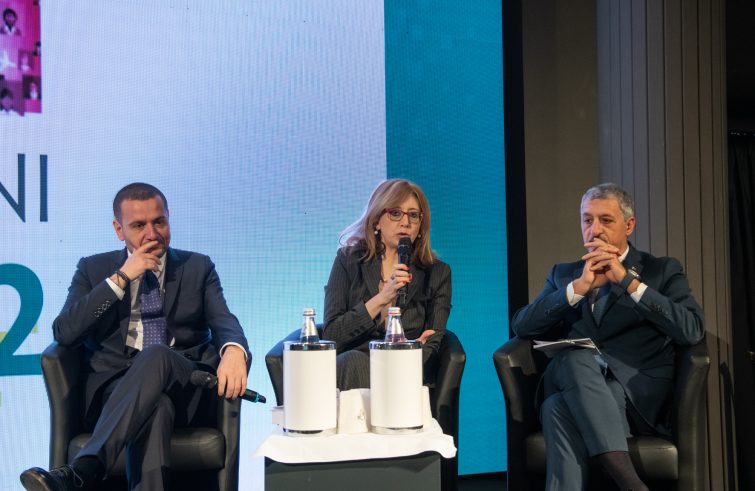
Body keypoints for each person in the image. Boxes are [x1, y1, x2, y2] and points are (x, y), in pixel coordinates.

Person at [20, 183, 250, 491]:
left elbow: (225, 321)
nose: (152, 234)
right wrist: (122, 278)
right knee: (155, 409)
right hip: (118, 390)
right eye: (139, 226)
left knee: (155, 355)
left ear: (169, 219)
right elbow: (65, 331)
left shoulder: (197, 267)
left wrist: (234, 350)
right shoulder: (93, 269)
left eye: (159, 222)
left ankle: (84, 469)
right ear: (119, 229)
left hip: (185, 384)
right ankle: (85, 469)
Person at [511, 183, 704, 491]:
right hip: (574, 378)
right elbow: (522, 326)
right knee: (574, 358)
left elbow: (691, 328)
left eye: (605, 220)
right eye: (587, 220)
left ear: (628, 225)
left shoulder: (661, 270)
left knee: (556, 409)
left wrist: (627, 282)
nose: (595, 229)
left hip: (632, 400)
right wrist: (577, 289)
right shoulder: (564, 274)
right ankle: (631, 484)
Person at [322, 178, 451, 390]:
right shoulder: (349, 261)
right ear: (376, 220)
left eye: (413, 215)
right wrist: (383, 298)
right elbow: (332, 336)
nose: (405, 222)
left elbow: (433, 342)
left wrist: (404, 357)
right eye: (395, 213)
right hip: (353, 370)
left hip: (405, 372)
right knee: (353, 361)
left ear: (420, 226)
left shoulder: (437, 272)